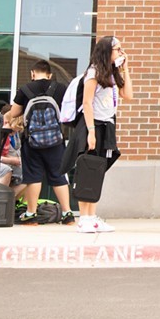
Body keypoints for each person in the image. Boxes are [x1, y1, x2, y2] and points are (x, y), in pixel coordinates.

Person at [60, 36, 133, 234]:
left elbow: (128, 95)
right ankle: (84, 217)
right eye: (117, 49)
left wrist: (125, 68)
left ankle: (92, 217)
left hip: (106, 125)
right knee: (88, 169)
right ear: (106, 51)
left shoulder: (111, 73)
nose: (120, 52)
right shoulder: (93, 72)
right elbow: (87, 103)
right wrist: (91, 132)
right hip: (93, 125)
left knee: (97, 169)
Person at [3, 59, 77, 225]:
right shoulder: (60, 88)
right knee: (58, 175)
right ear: (50, 74)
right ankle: (68, 214)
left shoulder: (25, 89)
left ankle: (31, 214)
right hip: (55, 141)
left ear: (33, 74)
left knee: (33, 176)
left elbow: (14, 112)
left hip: (32, 141)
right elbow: (67, 111)